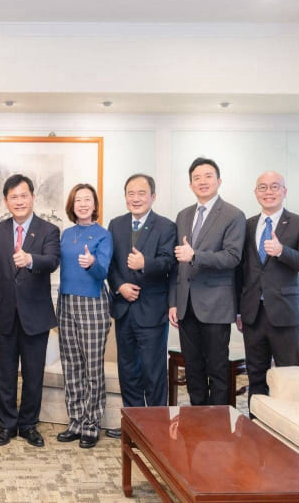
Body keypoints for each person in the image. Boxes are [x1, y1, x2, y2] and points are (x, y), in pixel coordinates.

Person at [0, 174, 60, 447]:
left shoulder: (49, 230)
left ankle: (28, 424)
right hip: (4, 316)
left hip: (36, 317)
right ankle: (7, 425)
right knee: (4, 374)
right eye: (13, 197)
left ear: (32, 197)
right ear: (6, 201)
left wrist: (30, 259)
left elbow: (52, 261)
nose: (19, 201)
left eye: (23, 195)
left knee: (33, 375)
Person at [168, 157, 245, 406]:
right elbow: (177, 263)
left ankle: (219, 426)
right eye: (197, 178)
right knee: (193, 370)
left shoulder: (233, 214)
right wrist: (173, 302)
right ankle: (197, 422)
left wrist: (196, 256)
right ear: (190, 184)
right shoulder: (183, 215)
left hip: (216, 306)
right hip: (186, 306)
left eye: (208, 176)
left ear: (219, 180)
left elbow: (233, 257)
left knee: (218, 370)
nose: (202, 181)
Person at [236, 171, 299, 404]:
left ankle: (289, 433)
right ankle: (256, 431)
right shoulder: (247, 225)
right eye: (262, 187)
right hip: (253, 316)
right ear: (255, 192)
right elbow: (241, 271)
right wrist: (240, 310)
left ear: (284, 191)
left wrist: (282, 251)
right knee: (256, 378)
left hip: (286, 316)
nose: (268, 192)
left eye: (274, 187)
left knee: (290, 379)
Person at [107, 174, 176, 416]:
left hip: (152, 311)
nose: (135, 198)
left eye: (141, 193)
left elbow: (169, 263)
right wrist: (120, 287)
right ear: (125, 197)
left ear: (153, 197)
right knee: (128, 371)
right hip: (124, 309)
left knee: (153, 372)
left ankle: (156, 428)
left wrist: (145, 263)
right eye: (131, 193)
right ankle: (135, 424)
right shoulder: (116, 224)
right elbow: (111, 265)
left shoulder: (166, 226)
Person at [55, 183, 112, 449]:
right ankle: (75, 421)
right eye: (78, 200)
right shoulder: (66, 235)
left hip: (93, 304)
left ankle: (92, 423)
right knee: (71, 365)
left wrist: (92, 264)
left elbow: (103, 272)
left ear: (94, 204)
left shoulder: (103, 235)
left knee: (92, 367)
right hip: (66, 303)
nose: (83, 204)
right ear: (72, 204)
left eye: (87, 199)